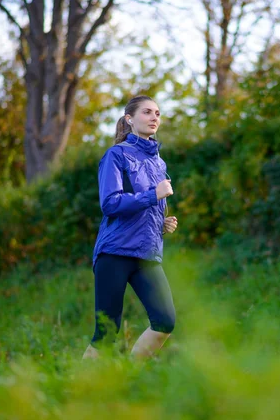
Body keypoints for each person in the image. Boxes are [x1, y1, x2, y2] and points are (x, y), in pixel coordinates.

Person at [83, 95, 178, 361]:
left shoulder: (159, 163)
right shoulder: (116, 155)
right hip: (115, 252)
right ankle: (75, 388)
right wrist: (153, 195)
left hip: (147, 253)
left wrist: (161, 223)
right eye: (147, 112)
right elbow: (110, 204)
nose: (154, 118)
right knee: (107, 333)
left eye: (157, 113)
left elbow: (143, 208)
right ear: (130, 119)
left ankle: (129, 376)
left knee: (165, 320)